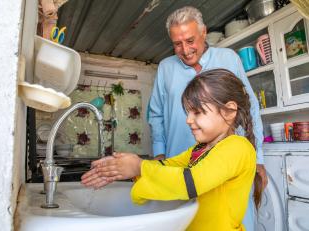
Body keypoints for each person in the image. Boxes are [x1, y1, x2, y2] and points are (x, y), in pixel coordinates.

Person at [81, 69, 263, 231]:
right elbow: (168, 166)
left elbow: (191, 182)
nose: (188, 120)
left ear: (229, 112)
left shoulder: (237, 147)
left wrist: (139, 167)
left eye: (197, 112)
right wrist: (123, 167)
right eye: (188, 112)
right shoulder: (199, 150)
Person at [147, 6, 267, 230]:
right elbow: (156, 114)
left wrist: (258, 157)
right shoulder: (165, 68)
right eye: (177, 43)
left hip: (228, 166)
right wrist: (160, 155)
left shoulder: (229, 58)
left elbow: (250, 106)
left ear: (204, 33)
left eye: (190, 40)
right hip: (182, 165)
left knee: (232, 218)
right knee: (187, 221)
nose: (185, 49)